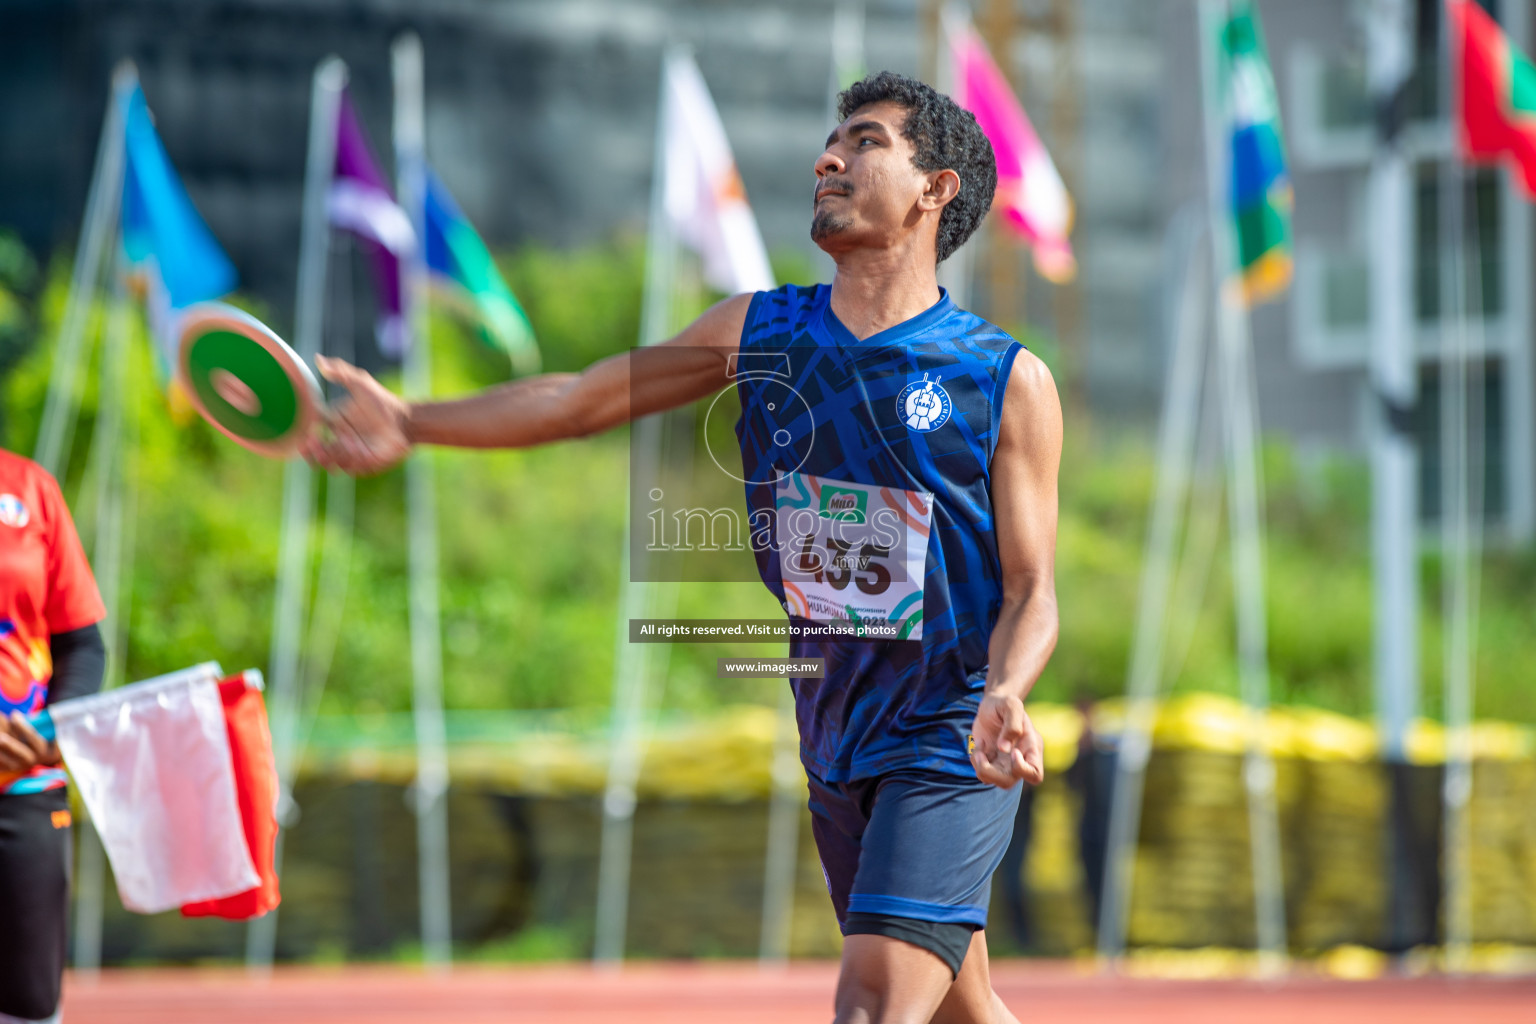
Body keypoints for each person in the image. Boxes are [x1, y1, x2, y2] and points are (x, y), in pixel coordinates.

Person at [309, 71, 1061, 1024]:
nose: (827, 158)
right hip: (834, 727)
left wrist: (1007, 690)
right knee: (963, 1005)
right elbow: (581, 399)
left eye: (866, 142)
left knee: (874, 1004)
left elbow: (1033, 588)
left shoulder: (1004, 379)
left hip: (952, 731)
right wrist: (412, 419)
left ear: (935, 188)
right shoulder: (761, 331)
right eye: (833, 140)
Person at [0, 448, 107, 1024]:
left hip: (24, 790)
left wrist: (56, 731)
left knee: (30, 1007)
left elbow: (83, 646)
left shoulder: (29, 487)